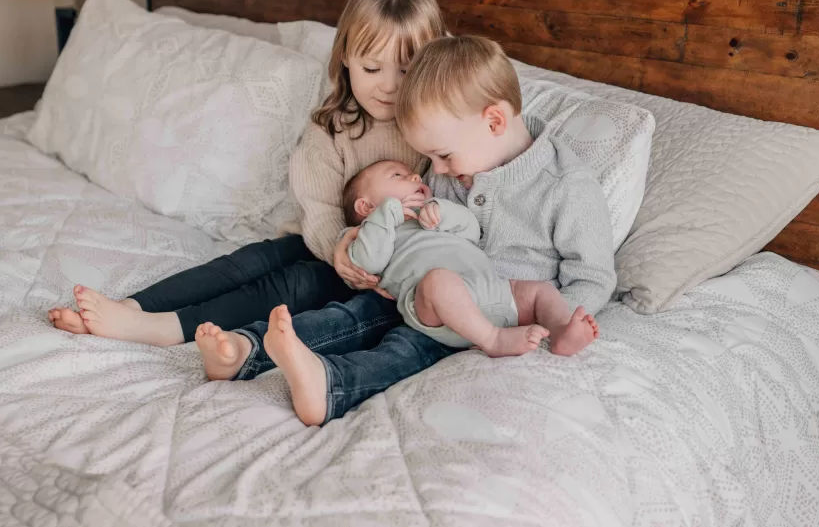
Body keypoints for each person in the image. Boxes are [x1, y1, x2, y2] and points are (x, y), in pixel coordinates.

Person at [193, 34, 617, 426]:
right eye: (433, 159)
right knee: (351, 315)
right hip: (420, 292)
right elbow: (414, 228)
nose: (439, 170)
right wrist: (363, 247)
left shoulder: (567, 187)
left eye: (444, 155)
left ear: (493, 122)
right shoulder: (454, 168)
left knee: (404, 350)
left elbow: (593, 276)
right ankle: (245, 351)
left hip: (499, 305)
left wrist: (562, 318)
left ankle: (330, 384)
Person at [47, 0, 446, 346]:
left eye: (407, 71)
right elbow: (321, 208)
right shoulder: (332, 128)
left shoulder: (430, 131)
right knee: (248, 261)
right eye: (373, 68)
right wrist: (337, 246)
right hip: (327, 242)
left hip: (376, 268)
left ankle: (165, 328)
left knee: (293, 285)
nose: (389, 86)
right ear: (345, 58)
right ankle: (131, 306)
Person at [342, 159, 599, 357]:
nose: (415, 176)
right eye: (397, 175)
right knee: (437, 281)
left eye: (413, 173)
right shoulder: (367, 233)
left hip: (492, 290)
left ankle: (560, 330)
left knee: (539, 290)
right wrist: (387, 214)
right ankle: (493, 339)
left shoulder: (430, 211)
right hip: (438, 306)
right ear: (366, 207)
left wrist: (443, 212)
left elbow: (471, 231)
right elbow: (369, 262)